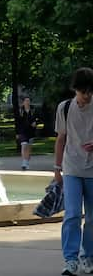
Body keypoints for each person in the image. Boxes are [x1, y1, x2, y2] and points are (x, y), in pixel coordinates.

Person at [54, 67, 93, 276]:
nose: (86, 96)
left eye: (90, 92)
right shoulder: (65, 108)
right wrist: (57, 168)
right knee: (72, 214)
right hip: (72, 168)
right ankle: (71, 259)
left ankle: (89, 257)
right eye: (83, 91)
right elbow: (61, 139)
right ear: (75, 89)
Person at [17, 94, 39, 170]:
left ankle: (27, 162)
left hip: (31, 131)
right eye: (26, 101)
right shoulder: (20, 111)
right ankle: (24, 162)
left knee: (29, 147)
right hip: (23, 131)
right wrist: (17, 133)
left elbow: (39, 118)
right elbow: (17, 122)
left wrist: (36, 122)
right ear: (23, 102)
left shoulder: (33, 110)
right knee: (24, 146)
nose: (27, 102)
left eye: (28, 101)